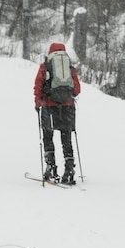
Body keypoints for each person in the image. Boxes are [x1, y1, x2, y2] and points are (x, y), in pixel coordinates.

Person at [34, 43, 81, 184]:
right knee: (66, 138)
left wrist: (38, 103)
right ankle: (69, 169)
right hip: (67, 107)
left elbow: (38, 85)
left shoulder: (46, 65)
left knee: (48, 136)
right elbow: (77, 89)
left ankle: (51, 167)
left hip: (49, 106)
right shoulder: (69, 67)